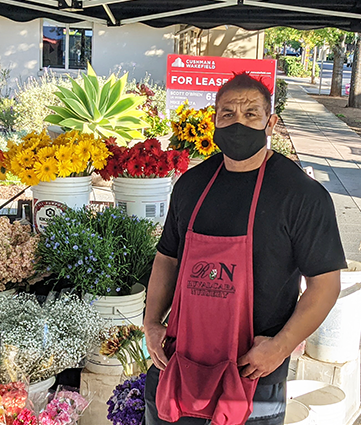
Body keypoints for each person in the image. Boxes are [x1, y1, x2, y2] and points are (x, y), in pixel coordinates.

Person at [143, 73, 346, 425]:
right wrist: (150, 323)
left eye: (251, 114)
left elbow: (325, 284)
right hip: (178, 366)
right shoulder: (191, 184)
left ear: (271, 122)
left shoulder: (302, 195)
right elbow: (167, 258)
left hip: (253, 374)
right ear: (214, 120)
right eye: (228, 114)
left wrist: (280, 348)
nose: (239, 122)